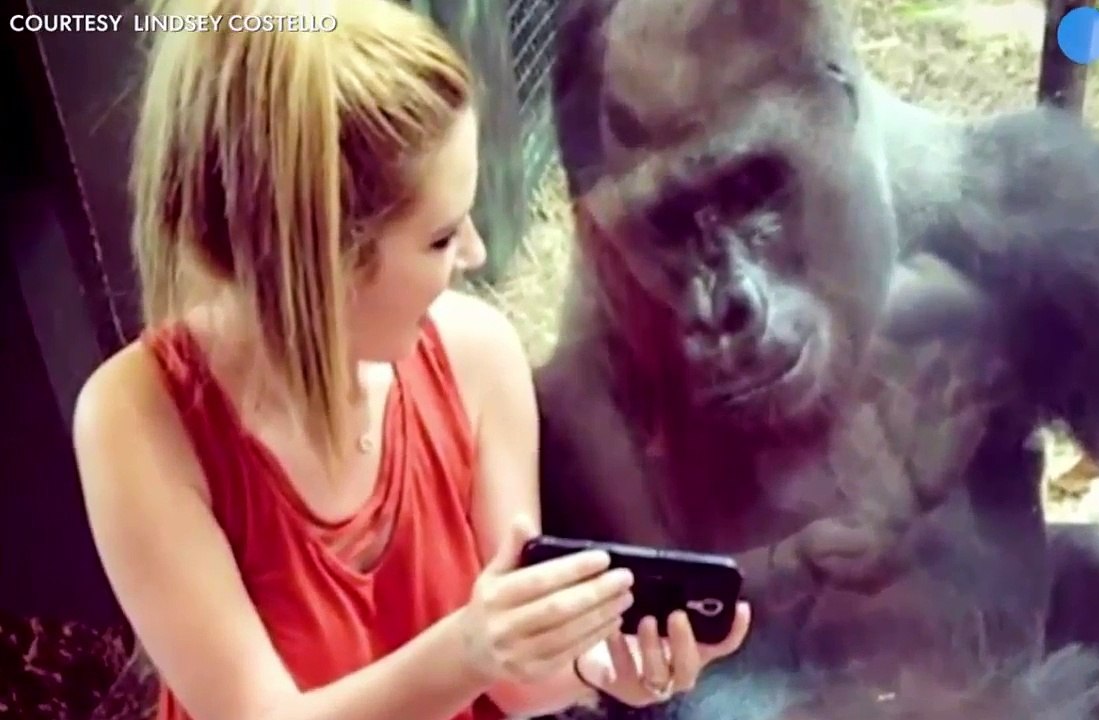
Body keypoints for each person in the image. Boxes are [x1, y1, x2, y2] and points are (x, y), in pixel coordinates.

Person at [70, 1, 751, 719]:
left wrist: (603, 665)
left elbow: (517, 683)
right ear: (316, 260)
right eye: (439, 237)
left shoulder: (477, 355)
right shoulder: (137, 421)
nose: (476, 256)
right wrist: (467, 649)